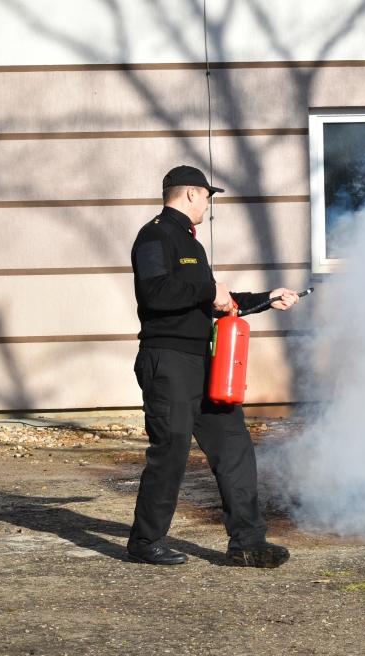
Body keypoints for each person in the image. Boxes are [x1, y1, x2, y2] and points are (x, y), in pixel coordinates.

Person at [127, 165, 299, 568]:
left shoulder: (193, 245)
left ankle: (248, 543)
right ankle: (144, 542)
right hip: (168, 361)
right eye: (208, 196)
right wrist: (210, 290)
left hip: (206, 361)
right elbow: (154, 292)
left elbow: (213, 300)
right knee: (170, 452)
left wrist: (265, 298)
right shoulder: (154, 235)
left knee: (235, 447)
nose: (209, 204)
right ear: (190, 194)